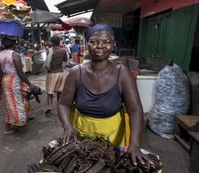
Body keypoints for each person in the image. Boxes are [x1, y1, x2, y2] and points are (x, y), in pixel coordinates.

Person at [57, 23, 152, 166]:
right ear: (87, 44)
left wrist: (135, 144)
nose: (99, 46)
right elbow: (64, 104)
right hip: (81, 137)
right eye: (93, 42)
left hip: (113, 138)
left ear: (113, 45)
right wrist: (67, 127)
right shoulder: (77, 72)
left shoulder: (122, 73)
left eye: (106, 42)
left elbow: (135, 110)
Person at [0, 36, 40, 135]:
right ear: (15, 44)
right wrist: (30, 84)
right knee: (17, 101)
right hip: (14, 80)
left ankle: (20, 119)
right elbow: (20, 73)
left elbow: (0, 71)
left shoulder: (0, 55)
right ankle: (11, 125)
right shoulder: (14, 55)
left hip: (5, 80)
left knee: (10, 102)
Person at [45, 35, 68, 114]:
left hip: (52, 73)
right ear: (59, 42)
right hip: (61, 73)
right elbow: (65, 61)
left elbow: (47, 63)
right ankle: (59, 105)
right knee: (59, 91)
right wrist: (62, 67)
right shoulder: (63, 50)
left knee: (49, 91)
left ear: (52, 43)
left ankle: (50, 106)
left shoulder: (50, 51)